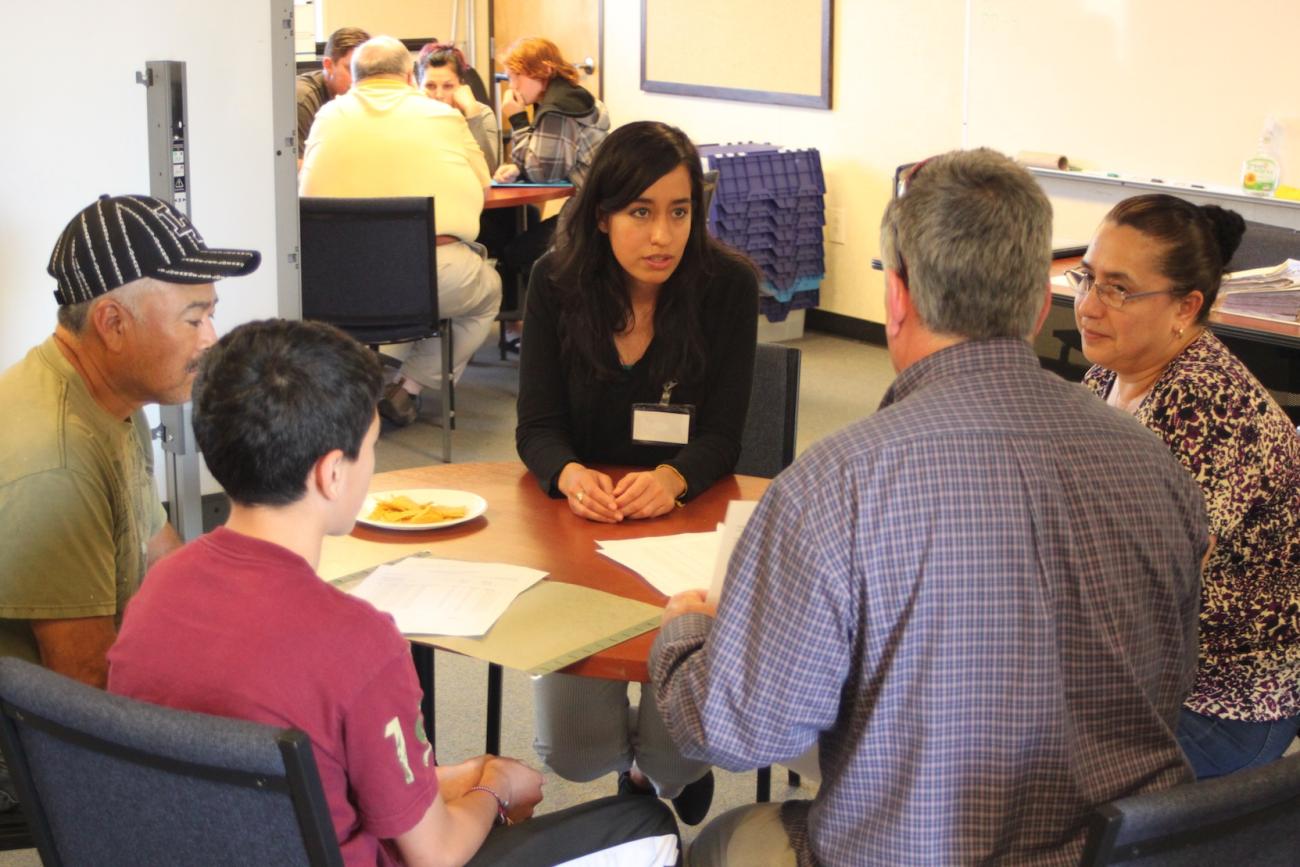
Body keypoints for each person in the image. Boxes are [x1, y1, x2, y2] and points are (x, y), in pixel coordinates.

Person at [650, 150, 1211, 866]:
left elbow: (738, 731)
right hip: (1121, 852)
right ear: (1041, 306)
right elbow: (1171, 679)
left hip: (914, 853)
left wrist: (687, 633)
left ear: (897, 297)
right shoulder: (1158, 466)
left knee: (724, 843)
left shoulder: (836, 484)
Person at [107, 318, 680, 867]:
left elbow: (318, 769)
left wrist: (459, 777)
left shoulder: (157, 592)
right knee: (648, 828)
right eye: (373, 446)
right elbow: (436, 853)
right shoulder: (358, 641)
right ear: (332, 474)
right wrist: (496, 789)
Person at [515, 121, 759, 827]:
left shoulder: (727, 287)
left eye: (679, 212)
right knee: (575, 752)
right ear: (602, 215)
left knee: (675, 751)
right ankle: (629, 768)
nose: (662, 236)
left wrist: (672, 478)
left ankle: (655, 774)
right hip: (579, 529)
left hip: (681, 526)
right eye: (641, 212)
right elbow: (536, 428)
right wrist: (567, 475)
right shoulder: (555, 282)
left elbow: (723, 436)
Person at [1073, 193, 1300, 779]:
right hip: (1143, 668)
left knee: (1032, 785)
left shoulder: (1208, 405)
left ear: (1185, 306)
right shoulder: (1109, 374)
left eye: (1117, 289)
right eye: (1088, 278)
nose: (1087, 306)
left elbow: (1149, 586)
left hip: (1221, 699)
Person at [0, 193, 259, 689]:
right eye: (193, 319)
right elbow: (82, 689)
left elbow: (163, 558)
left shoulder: (111, 397)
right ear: (113, 323)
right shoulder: (57, 460)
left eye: (211, 315)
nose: (211, 338)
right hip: (32, 751)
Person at [300, 35, 502, 427]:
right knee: (486, 292)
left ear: (354, 77)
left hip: (333, 284)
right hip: (426, 277)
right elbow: (484, 184)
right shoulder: (444, 118)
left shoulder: (327, 116)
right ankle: (407, 388)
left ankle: (348, 394)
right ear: (411, 75)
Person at [493, 36, 610, 293]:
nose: (511, 86)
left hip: (588, 217)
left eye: (516, 76)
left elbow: (543, 173)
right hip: (603, 205)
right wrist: (520, 167)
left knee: (516, 251)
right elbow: (548, 158)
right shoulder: (576, 97)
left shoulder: (557, 110)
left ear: (543, 70)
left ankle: (530, 325)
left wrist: (518, 120)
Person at [419, 43, 500, 172]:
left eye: (448, 86)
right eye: (430, 86)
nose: (439, 95)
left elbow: (488, 170)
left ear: (461, 85)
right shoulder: (411, 113)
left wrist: (472, 114)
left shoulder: (481, 113)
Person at [295, 26, 369, 160]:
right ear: (328, 65)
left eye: (365, 70)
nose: (360, 79)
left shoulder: (362, 96)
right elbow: (292, 167)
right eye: (352, 69)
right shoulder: (302, 100)